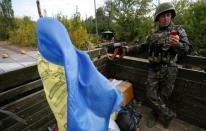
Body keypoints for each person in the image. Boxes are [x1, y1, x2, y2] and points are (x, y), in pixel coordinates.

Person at [125, 2, 191, 128]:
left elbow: (187, 49)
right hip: (154, 68)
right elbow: (143, 47)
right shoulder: (152, 33)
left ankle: (155, 114)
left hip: (169, 69)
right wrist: (128, 49)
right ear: (158, 18)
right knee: (150, 95)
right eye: (163, 16)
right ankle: (168, 114)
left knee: (164, 96)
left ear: (171, 16)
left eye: (168, 15)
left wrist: (178, 45)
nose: (166, 18)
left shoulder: (178, 30)